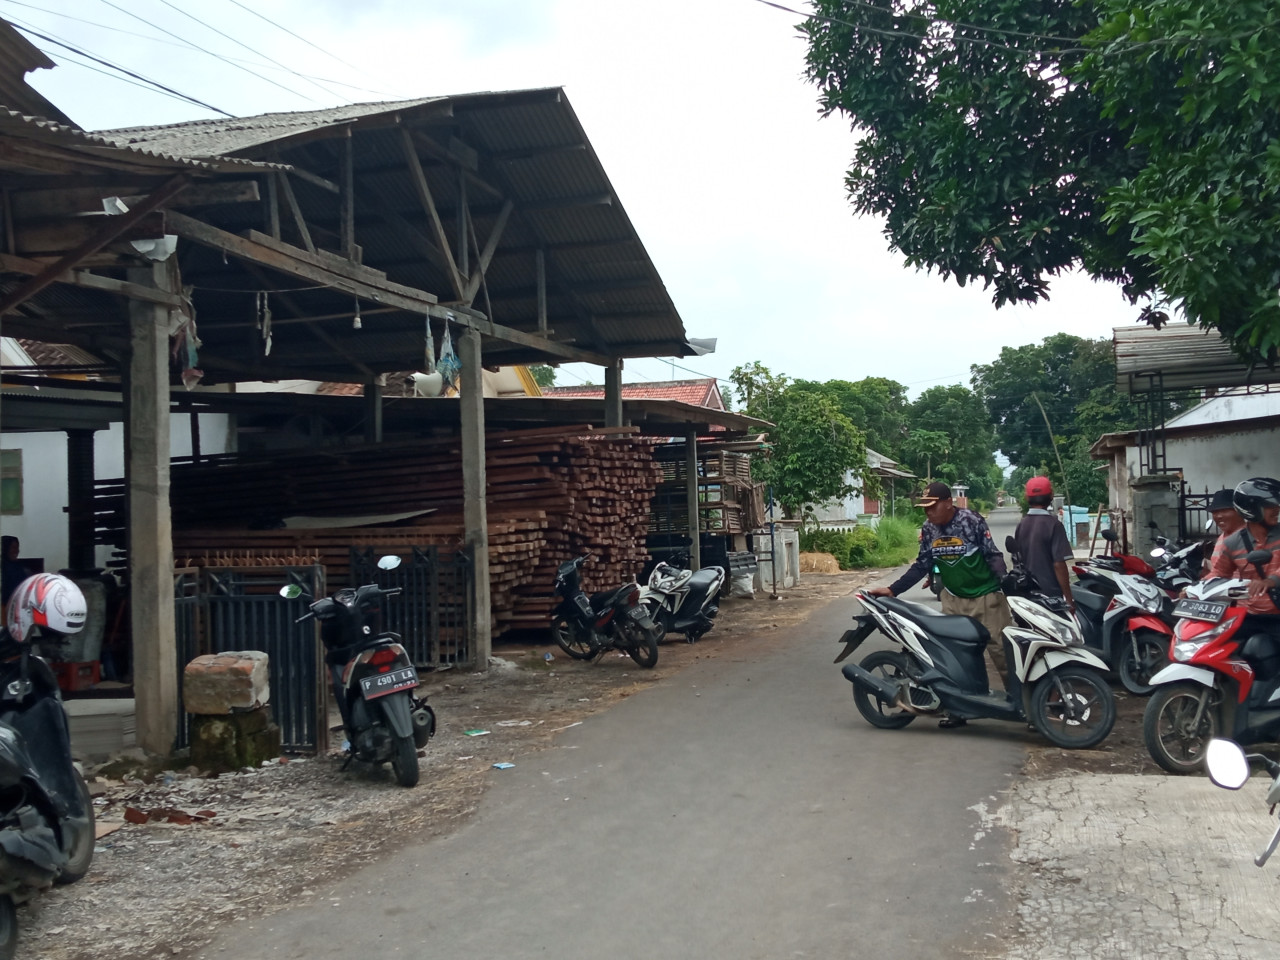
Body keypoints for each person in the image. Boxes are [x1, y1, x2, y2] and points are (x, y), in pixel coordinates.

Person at [867, 481, 1013, 720]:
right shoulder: (928, 529)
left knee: (1002, 653)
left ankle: (1023, 706)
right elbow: (922, 564)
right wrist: (893, 589)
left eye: (932, 507)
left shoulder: (971, 521)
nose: (928, 512)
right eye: (925, 508)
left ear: (948, 503)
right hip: (953, 600)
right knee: (954, 659)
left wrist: (1005, 583)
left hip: (985, 598)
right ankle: (958, 711)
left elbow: (992, 554)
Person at [1206, 478, 1280, 617]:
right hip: (1249, 615)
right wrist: (1195, 589)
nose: (1277, 510)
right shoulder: (1232, 543)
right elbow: (1219, 573)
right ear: (1250, 508)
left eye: (1277, 505)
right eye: (1270, 506)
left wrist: (1271, 581)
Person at [1012, 477, 1076, 614]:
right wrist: (1069, 598)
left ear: (1027, 497)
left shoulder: (1021, 525)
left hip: (1027, 594)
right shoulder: (1054, 525)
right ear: (1051, 496)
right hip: (1051, 596)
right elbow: (1059, 564)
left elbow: (1017, 560)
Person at [1204, 487, 1245, 576]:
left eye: (1224, 510)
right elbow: (1217, 572)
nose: (1219, 516)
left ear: (1240, 512)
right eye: (1215, 512)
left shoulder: (1250, 537)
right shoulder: (1222, 538)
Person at [0, 537, 30, 609]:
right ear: (5, 548)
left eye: (17, 547)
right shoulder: (3, 566)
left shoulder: (18, 566)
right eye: (13, 547)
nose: (16, 551)